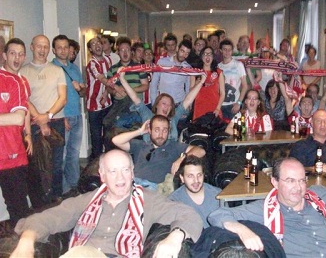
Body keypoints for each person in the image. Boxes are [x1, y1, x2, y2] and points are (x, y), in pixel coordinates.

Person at [10, 149, 203, 258]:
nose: (121, 178)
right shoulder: (87, 200)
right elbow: (48, 218)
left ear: (133, 172)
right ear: (102, 175)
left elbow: (189, 216)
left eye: (125, 170)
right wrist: (27, 240)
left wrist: (174, 238)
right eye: (113, 172)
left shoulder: (147, 200)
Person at [208, 157, 326, 257]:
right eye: (290, 181)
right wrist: (242, 230)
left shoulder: (318, 195)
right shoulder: (265, 209)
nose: (298, 187)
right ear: (275, 182)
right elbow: (217, 215)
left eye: (301, 180)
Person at [20, 34, 67, 202]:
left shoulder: (57, 70)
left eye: (46, 46)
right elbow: (24, 99)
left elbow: (62, 98)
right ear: (32, 47)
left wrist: (47, 116)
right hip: (32, 124)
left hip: (56, 121)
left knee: (56, 163)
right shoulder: (23, 71)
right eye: (39, 46)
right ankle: (40, 200)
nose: (43, 50)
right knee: (37, 164)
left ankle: (57, 195)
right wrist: (39, 118)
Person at [112, 115, 206, 188]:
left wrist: (182, 158)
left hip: (153, 188)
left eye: (165, 130)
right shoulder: (140, 145)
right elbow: (116, 140)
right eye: (157, 130)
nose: (161, 135)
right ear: (150, 130)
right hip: (132, 184)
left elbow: (201, 151)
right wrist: (140, 131)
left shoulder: (174, 146)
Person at [120, 69, 206, 143]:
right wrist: (122, 80)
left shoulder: (173, 118)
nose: (167, 107)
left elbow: (188, 100)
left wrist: (202, 81)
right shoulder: (147, 115)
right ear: (157, 105)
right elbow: (135, 98)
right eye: (164, 104)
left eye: (169, 105)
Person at [0, 38, 31, 226]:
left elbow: (20, 116)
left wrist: (28, 135)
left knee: (18, 205)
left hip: (12, 153)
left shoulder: (18, 81)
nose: (16, 58)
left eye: (20, 54)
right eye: (12, 53)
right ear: (4, 56)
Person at [51, 35, 86, 197]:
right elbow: (52, 96)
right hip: (62, 117)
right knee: (62, 155)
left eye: (66, 47)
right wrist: (61, 116)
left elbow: (82, 93)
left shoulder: (74, 68)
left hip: (77, 115)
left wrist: (80, 88)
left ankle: (74, 184)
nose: (63, 50)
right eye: (60, 47)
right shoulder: (51, 69)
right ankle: (64, 189)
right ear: (54, 50)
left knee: (74, 153)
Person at [103, 37, 148, 138]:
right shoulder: (113, 69)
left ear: (131, 52)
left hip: (135, 105)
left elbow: (145, 86)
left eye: (127, 49)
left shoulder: (139, 67)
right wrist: (114, 92)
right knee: (108, 125)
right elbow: (109, 87)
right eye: (122, 50)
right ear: (118, 52)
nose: (125, 52)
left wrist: (128, 91)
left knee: (135, 132)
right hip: (119, 105)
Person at [169, 156, 221, 228]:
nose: (196, 180)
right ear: (182, 178)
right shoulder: (174, 200)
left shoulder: (218, 195)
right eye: (190, 176)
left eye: (199, 175)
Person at [85, 37, 113, 160]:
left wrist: (106, 92)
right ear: (90, 49)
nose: (97, 45)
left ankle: (107, 160)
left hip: (107, 103)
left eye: (99, 43)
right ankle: (96, 163)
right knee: (96, 136)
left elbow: (111, 77)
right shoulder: (92, 63)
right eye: (93, 44)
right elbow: (101, 78)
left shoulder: (108, 60)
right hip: (94, 105)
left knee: (108, 134)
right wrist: (113, 87)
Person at [150, 39, 193, 106]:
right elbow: (154, 84)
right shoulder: (162, 62)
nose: (184, 55)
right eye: (182, 51)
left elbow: (188, 88)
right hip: (163, 103)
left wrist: (188, 105)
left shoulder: (188, 67)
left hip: (179, 103)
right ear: (178, 49)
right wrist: (153, 103)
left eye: (187, 53)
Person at [191, 46, 225, 120]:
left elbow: (222, 93)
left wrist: (218, 108)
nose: (207, 56)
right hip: (199, 108)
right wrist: (197, 84)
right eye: (205, 54)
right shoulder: (195, 72)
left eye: (210, 54)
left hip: (215, 108)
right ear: (201, 56)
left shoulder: (218, 72)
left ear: (213, 57)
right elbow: (190, 92)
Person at [218, 39, 248, 121]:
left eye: (229, 50)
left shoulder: (238, 64)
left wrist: (239, 103)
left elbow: (245, 86)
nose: (227, 52)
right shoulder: (218, 66)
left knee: (237, 130)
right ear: (221, 50)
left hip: (234, 104)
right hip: (221, 104)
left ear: (232, 50)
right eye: (225, 49)